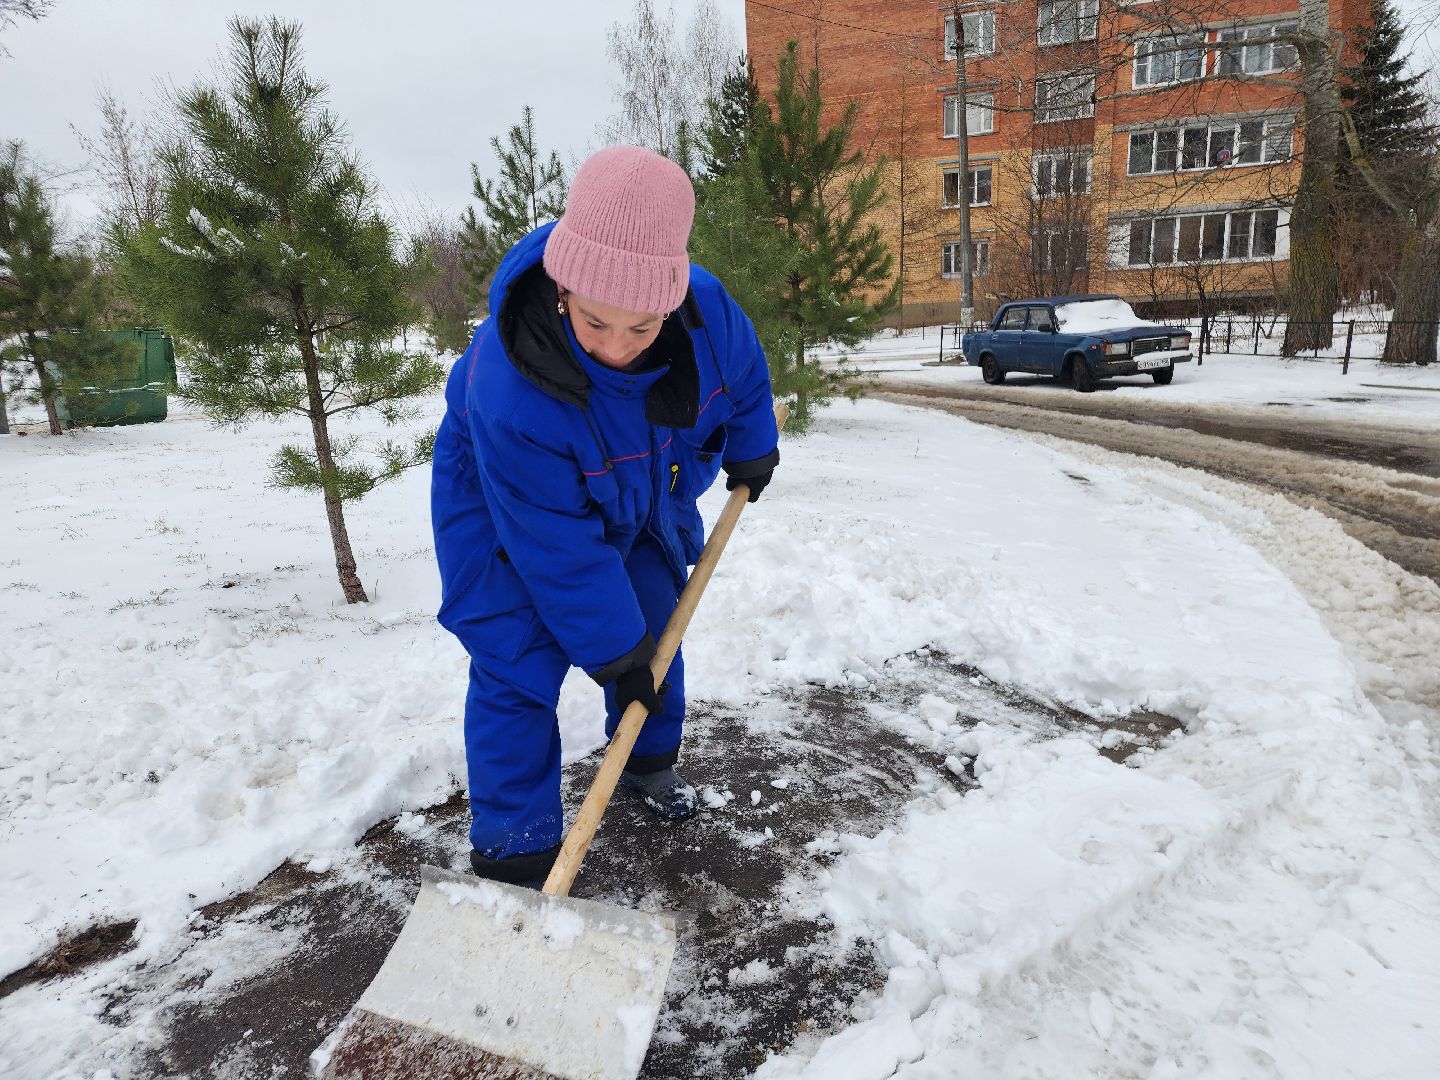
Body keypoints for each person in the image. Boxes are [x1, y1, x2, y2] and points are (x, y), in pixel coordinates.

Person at [430, 146, 780, 887]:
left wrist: (754, 450)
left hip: (639, 473)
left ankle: (647, 760)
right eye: (594, 323)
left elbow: (745, 382)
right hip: (509, 505)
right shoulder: (508, 385)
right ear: (561, 288)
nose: (617, 349)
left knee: (654, 622)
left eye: (642, 328)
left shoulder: (707, 311)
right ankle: (515, 847)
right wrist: (609, 649)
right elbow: (555, 548)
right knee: (514, 656)